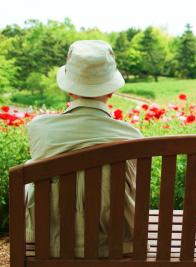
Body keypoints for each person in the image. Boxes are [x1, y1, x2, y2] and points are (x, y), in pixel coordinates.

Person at [25, 40, 142, 257]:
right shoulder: (132, 136)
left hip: (53, 244)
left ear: (69, 90)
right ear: (111, 91)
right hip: (118, 244)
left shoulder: (39, 129)